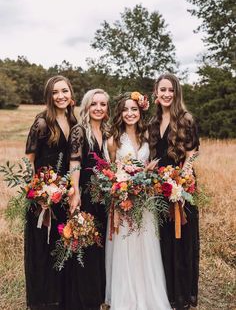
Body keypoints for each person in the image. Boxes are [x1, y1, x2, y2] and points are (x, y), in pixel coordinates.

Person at [105, 92, 171, 310]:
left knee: (146, 247)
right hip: (124, 201)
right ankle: (126, 297)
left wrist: (146, 180)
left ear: (140, 111)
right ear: (120, 113)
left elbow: (150, 166)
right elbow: (110, 172)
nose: (129, 113)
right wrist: (123, 187)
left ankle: (148, 294)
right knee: (126, 246)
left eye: (134, 109)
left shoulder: (146, 137)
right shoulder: (114, 140)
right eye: (125, 109)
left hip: (145, 202)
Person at [25, 75, 77, 310]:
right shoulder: (42, 122)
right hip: (43, 198)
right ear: (49, 96)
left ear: (71, 93)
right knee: (42, 250)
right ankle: (44, 301)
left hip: (64, 195)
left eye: (64, 91)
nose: (60, 96)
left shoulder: (74, 121)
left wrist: (71, 189)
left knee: (62, 245)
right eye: (55, 92)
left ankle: (62, 298)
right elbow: (29, 161)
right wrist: (38, 192)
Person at [149, 73, 200, 310]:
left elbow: (192, 154)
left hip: (182, 187)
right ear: (156, 94)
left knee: (183, 239)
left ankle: (182, 295)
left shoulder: (185, 119)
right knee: (164, 239)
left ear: (176, 92)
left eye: (171, 90)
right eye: (163, 90)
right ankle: (166, 292)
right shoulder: (152, 123)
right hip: (159, 187)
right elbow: (153, 157)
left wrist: (181, 179)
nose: (167, 94)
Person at [66, 88, 110, 310]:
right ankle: (85, 300)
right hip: (85, 195)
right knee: (86, 245)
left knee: (101, 246)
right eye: (94, 104)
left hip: (105, 197)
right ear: (86, 106)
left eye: (103, 104)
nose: (98, 108)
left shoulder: (107, 131)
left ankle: (101, 294)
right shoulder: (79, 131)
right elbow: (74, 163)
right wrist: (75, 193)